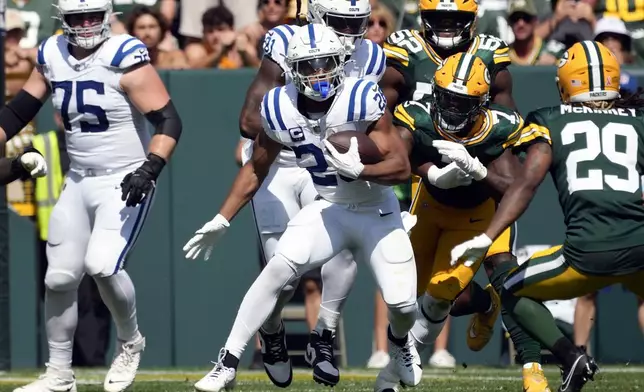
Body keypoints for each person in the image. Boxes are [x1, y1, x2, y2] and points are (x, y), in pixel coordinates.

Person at [183, 23, 422, 392]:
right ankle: (227, 363)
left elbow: (402, 166)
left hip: (377, 211)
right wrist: (222, 217)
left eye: (325, 63)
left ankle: (399, 343)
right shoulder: (279, 106)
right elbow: (256, 168)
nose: (319, 73)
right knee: (279, 269)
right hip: (331, 208)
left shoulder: (361, 96)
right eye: (308, 66)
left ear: (340, 62)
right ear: (292, 69)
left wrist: (362, 169)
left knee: (403, 305)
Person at [5, 0, 183, 391]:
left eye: (91, 16)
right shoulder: (52, 52)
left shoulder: (124, 53)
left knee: (103, 266)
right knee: (59, 278)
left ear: (106, 15)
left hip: (125, 178)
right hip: (79, 178)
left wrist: (150, 167)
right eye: (75, 17)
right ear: (62, 20)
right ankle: (59, 374)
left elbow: (169, 119)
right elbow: (20, 109)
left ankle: (131, 341)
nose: (85, 25)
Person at [449, 40, 644, 391]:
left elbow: (525, 184)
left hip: (587, 254)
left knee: (509, 289)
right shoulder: (640, 121)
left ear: (566, 81)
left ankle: (571, 356)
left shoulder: (551, 119)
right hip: (641, 249)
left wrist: (486, 235)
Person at [379, 0, 547, 388]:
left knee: (503, 268)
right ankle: (483, 304)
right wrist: (421, 168)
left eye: (456, 19)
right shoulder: (405, 50)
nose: (448, 26)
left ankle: (532, 368)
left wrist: (483, 168)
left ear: (472, 20)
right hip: (432, 179)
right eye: (439, 18)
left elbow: (507, 129)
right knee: (420, 289)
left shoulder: (489, 54)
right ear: (424, 18)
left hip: (484, 185)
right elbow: (385, 120)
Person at [235, 0, 386, 386]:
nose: (353, 33)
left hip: (331, 166)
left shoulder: (371, 55)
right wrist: (302, 125)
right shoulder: (286, 40)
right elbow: (250, 117)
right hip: (285, 162)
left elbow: (379, 122)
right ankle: (271, 332)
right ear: (317, 16)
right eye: (340, 23)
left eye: (359, 24)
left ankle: (324, 336)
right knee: (282, 276)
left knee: (342, 255)